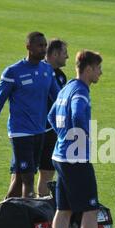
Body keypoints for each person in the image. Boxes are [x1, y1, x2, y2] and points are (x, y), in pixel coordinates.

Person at [48, 50, 115, 228]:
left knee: (64, 208)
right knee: (90, 209)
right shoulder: (80, 91)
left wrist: (63, 135)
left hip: (59, 156)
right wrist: (83, 136)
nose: (101, 72)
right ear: (88, 69)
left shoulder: (66, 87)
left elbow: (51, 116)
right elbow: (78, 116)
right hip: (76, 158)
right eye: (98, 68)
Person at [0, 32, 60, 198]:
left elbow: (58, 99)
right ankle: (29, 220)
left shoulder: (47, 70)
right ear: (28, 47)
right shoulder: (13, 72)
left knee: (18, 179)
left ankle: (4, 216)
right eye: (40, 46)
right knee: (28, 179)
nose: (44, 49)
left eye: (45, 45)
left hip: (39, 131)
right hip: (20, 132)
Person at [37, 39, 69, 197]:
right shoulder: (38, 71)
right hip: (32, 129)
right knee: (22, 176)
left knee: (47, 173)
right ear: (55, 54)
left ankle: (39, 212)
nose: (67, 57)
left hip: (52, 131)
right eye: (64, 53)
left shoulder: (61, 76)